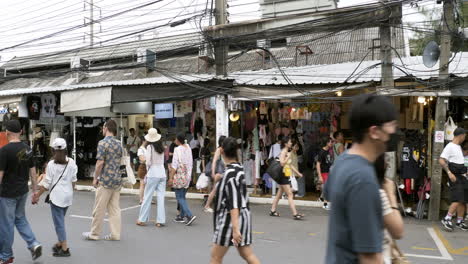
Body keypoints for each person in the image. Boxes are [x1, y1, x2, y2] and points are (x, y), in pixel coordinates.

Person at [324, 94, 399, 263]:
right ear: (374, 131)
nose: (393, 132)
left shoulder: (343, 161)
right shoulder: (364, 178)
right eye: (391, 126)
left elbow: (328, 193)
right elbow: (369, 257)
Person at [210, 137, 260, 264]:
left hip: (230, 220)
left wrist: (235, 229)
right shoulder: (238, 168)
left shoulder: (230, 173)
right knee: (247, 254)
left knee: (216, 256)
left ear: (221, 151)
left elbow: (234, 202)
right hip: (242, 216)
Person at [0, 120, 43, 264]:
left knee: (6, 224)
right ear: (21, 132)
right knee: (20, 219)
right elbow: (33, 173)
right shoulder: (28, 149)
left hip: (7, 194)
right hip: (23, 191)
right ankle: (33, 244)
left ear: (7, 133)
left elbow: (0, 175)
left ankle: (6, 256)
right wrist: (35, 192)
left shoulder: (4, 151)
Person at [32, 138, 78, 257]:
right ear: (65, 150)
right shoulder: (72, 162)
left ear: (53, 150)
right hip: (68, 197)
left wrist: (37, 195)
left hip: (57, 198)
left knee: (59, 224)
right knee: (60, 221)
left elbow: (46, 184)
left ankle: (65, 248)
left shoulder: (51, 165)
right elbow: (74, 181)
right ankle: (59, 243)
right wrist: (70, 190)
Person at [82, 119, 123, 241]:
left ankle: (94, 234)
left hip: (105, 180)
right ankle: (115, 234)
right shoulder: (119, 143)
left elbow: (100, 163)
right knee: (115, 209)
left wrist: (95, 178)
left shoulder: (102, 143)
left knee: (99, 208)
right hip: (117, 180)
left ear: (106, 128)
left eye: (103, 128)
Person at [374, 155, 404, 264]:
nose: (388, 163)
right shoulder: (378, 194)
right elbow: (398, 231)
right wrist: (391, 195)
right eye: (386, 160)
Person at [136, 128, 166, 227]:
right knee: (161, 198)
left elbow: (148, 162)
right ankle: (160, 221)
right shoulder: (162, 147)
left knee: (147, 197)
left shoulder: (150, 148)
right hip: (162, 173)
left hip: (153, 173)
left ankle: (142, 219)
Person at [439, 127, 467, 231]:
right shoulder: (449, 146)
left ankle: (459, 221)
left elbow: (459, 162)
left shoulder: (458, 147)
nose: (465, 137)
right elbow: (441, 160)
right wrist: (449, 173)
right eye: (464, 135)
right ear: (460, 135)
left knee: (463, 199)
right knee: (457, 198)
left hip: (461, 175)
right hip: (454, 176)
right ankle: (447, 218)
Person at [269, 136, 304, 220]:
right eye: (289, 142)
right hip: (283, 175)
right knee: (290, 194)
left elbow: (290, 165)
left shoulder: (287, 151)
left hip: (285, 174)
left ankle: (272, 210)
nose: (291, 143)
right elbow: (282, 163)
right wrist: (288, 156)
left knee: (279, 194)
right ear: (285, 144)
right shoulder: (284, 151)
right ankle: (295, 214)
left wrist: (298, 173)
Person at [169, 132, 197, 226]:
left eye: (176, 139)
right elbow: (190, 162)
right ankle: (181, 216)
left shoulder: (177, 149)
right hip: (187, 175)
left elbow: (174, 165)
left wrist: (171, 177)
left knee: (179, 197)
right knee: (183, 196)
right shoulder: (188, 148)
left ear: (178, 140)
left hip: (180, 175)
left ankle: (189, 215)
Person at [204, 136, 227, 213]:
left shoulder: (224, 149)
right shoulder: (219, 149)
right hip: (219, 172)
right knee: (214, 190)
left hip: (223, 172)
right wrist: (213, 172)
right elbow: (214, 161)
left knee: (219, 189)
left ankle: (222, 206)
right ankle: (207, 206)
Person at [317, 137, 334, 210]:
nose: (332, 143)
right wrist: (319, 175)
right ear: (327, 143)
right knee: (327, 188)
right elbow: (318, 164)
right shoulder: (322, 152)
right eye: (330, 142)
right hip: (324, 172)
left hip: (329, 171)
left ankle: (321, 198)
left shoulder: (329, 150)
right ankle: (325, 204)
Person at [137, 137, 148, 204]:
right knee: (142, 184)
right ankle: (141, 199)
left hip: (147, 167)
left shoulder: (145, 148)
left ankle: (146, 198)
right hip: (143, 167)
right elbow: (142, 159)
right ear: (144, 141)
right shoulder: (140, 149)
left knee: (147, 184)